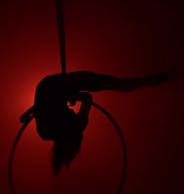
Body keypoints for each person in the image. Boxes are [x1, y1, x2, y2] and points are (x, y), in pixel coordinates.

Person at [19, 71, 171, 175]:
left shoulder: (46, 132)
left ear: (62, 147)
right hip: (59, 87)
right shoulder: (78, 127)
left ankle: (149, 80)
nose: (72, 147)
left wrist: (28, 113)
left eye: (69, 150)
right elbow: (87, 98)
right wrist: (75, 96)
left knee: (109, 83)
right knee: (107, 83)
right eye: (74, 149)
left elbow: (44, 104)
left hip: (51, 86)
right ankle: (149, 81)